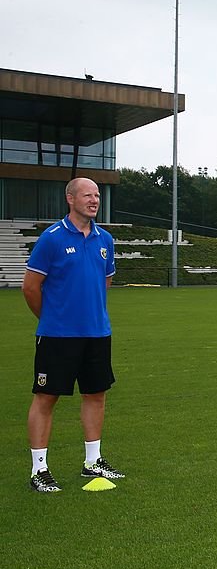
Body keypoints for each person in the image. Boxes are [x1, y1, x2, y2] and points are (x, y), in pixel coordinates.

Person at [22, 177, 124, 493]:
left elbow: (103, 285)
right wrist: (53, 318)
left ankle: (92, 462)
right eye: (87, 195)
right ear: (70, 199)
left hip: (96, 334)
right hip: (57, 336)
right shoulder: (51, 239)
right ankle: (39, 469)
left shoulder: (105, 239)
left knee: (95, 394)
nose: (94, 200)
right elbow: (30, 287)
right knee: (46, 398)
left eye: (97, 195)